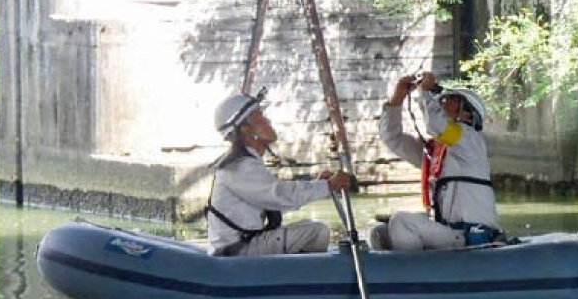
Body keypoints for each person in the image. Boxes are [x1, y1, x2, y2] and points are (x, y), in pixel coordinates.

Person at [206, 88, 351, 256]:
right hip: (237, 251)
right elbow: (279, 196)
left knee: (308, 227)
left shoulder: (246, 163)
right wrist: (327, 186)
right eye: (260, 117)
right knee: (316, 232)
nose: (268, 121)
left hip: (246, 243)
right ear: (245, 129)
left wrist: (320, 184)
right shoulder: (239, 168)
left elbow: (275, 199)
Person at [370, 72, 503, 250]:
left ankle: (415, 274)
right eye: (441, 100)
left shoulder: (470, 139)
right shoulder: (435, 153)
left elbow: (437, 125)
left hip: (472, 236)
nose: (443, 103)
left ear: (468, 116)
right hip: (449, 234)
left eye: (451, 100)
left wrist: (424, 92)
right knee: (380, 233)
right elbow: (392, 138)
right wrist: (397, 99)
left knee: (402, 222)